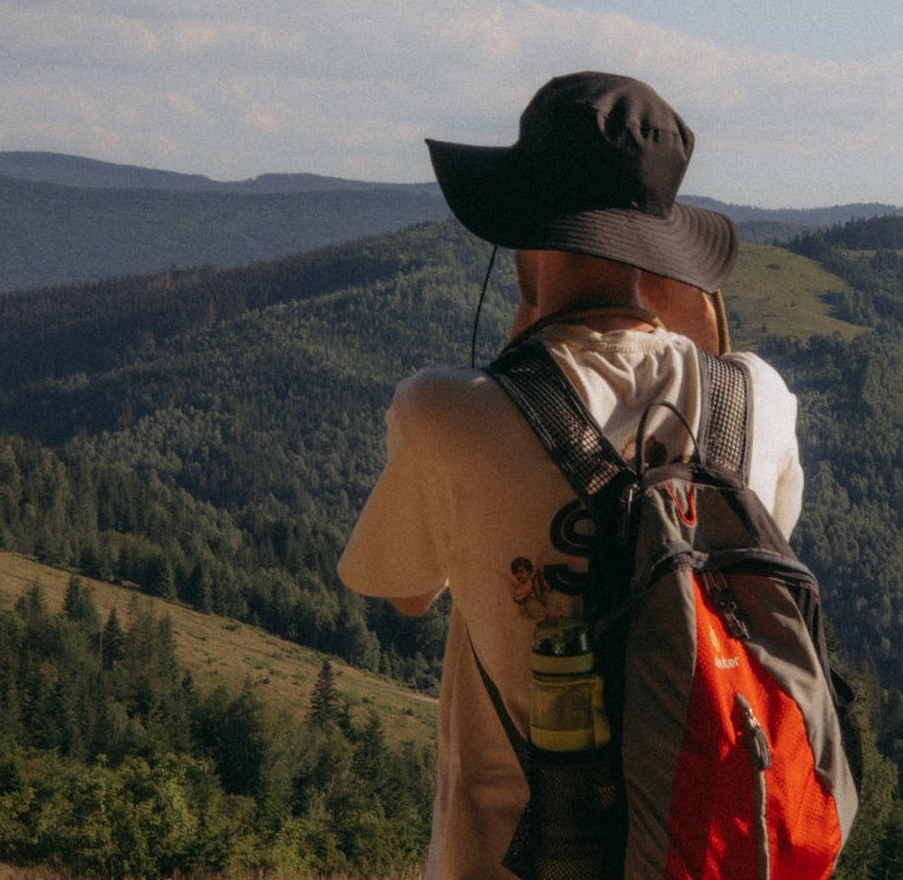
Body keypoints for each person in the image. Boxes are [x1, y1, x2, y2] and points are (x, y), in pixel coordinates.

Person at [338, 72, 805, 880]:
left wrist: (522, 345)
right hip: (700, 854)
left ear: (527, 228)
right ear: (663, 248)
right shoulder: (760, 399)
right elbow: (752, 555)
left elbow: (409, 589)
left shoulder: (448, 413)